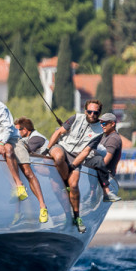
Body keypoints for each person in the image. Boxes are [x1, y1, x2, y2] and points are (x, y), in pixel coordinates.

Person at [47, 99, 106, 233]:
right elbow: (58, 133)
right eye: (90, 112)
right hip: (61, 147)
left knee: (73, 185)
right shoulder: (75, 118)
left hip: (76, 156)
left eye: (95, 113)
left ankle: (77, 217)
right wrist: (47, 148)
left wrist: (73, 166)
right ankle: (64, 185)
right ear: (85, 111)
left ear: (99, 113)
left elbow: (85, 152)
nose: (92, 115)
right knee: (59, 157)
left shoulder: (99, 132)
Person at [12, 118, 51, 222]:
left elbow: (25, 151)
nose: (16, 133)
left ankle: (41, 206)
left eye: (17, 131)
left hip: (47, 171)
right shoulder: (30, 137)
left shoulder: (36, 138)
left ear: (24, 130)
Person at [83, 113, 123, 203]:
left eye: (104, 123)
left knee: (97, 160)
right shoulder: (104, 137)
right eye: (100, 123)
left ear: (112, 124)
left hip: (105, 176)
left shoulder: (113, 139)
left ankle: (97, 193)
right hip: (97, 175)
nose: (101, 125)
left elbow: (104, 162)